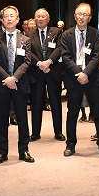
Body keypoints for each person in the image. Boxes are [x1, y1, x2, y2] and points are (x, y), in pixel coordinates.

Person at [60, 3, 99, 157]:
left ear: (90, 17)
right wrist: (79, 73)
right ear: (75, 15)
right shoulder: (66, 35)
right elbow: (66, 57)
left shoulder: (95, 34)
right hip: (73, 79)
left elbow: (96, 56)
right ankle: (70, 144)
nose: (81, 17)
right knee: (72, 113)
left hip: (92, 78)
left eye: (85, 15)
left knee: (98, 113)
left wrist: (86, 73)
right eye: (79, 14)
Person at [0, 6, 35, 164]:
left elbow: (27, 61)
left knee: (22, 119)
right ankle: (2, 152)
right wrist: (7, 79)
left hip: (19, 84)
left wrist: (14, 78)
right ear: (1, 20)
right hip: (1, 84)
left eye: (12, 16)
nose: (9, 19)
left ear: (17, 19)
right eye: (6, 16)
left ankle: (24, 150)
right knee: (2, 120)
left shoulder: (25, 40)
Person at [27, 8, 65, 141]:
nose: (40, 19)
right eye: (38, 16)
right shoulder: (29, 34)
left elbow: (60, 48)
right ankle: (35, 133)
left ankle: (58, 132)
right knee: (36, 104)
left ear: (48, 19)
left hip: (52, 71)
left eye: (43, 16)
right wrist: (39, 64)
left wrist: (48, 62)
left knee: (55, 103)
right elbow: (27, 52)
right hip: (36, 72)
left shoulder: (56, 32)